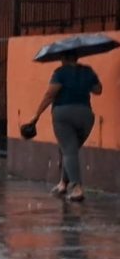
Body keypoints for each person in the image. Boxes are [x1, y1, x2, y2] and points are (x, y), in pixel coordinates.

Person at [29, 53, 102, 202]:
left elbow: (50, 94)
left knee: (68, 151)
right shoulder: (87, 71)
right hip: (86, 115)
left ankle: (77, 188)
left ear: (63, 58)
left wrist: (36, 115)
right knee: (70, 150)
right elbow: (98, 90)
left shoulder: (60, 73)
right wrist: (83, 83)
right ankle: (63, 183)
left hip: (63, 114)